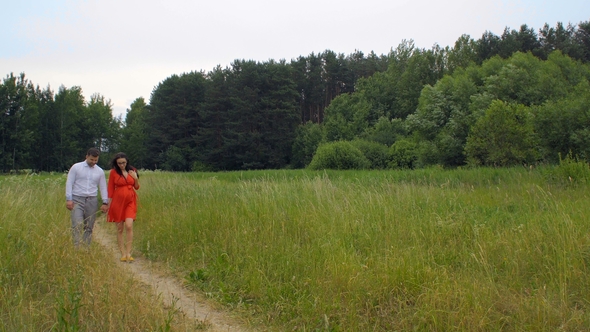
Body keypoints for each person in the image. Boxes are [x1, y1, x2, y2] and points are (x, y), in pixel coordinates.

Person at [65, 147, 109, 247]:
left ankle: (86, 248)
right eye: (91, 159)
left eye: (96, 160)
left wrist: (105, 202)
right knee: (77, 224)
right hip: (77, 199)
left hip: (92, 200)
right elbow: (69, 183)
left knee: (89, 226)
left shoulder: (99, 171)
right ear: (87, 156)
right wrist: (69, 199)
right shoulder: (76, 167)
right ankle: (76, 247)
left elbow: (102, 187)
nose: (93, 162)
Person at [107, 152, 140, 262]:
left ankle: (128, 252)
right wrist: (108, 204)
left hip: (130, 201)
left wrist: (135, 178)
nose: (122, 165)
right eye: (119, 163)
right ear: (116, 163)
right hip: (118, 202)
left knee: (129, 225)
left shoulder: (131, 171)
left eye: (124, 163)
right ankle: (122, 253)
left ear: (127, 162)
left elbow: (137, 187)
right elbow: (111, 189)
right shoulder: (113, 172)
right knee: (120, 228)